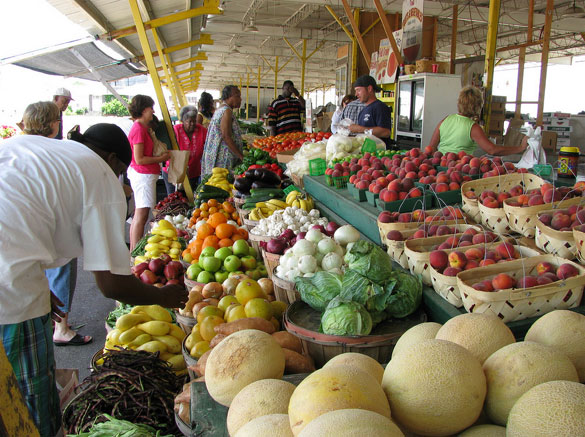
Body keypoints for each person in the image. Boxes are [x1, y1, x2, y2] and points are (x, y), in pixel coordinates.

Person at [0, 121, 188, 437]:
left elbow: (20, 211)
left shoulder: (37, 146)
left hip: (13, 268)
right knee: (28, 397)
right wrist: (164, 296)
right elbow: (111, 284)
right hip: (10, 285)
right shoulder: (99, 176)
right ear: (114, 160)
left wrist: (38, 282)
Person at [21, 102, 92, 346]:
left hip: (21, 226)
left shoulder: (17, 147)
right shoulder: (55, 150)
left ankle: (51, 321)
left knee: (34, 274)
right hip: (48, 222)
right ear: (53, 124)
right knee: (61, 268)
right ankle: (61, 327)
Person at [428, 86, 528, 156]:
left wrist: (441, 161)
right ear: (478, 106)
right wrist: (520, 148)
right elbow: (492, 150)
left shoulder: (445, 120)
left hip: (441, 171)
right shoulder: (473, 127)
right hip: (460, 171)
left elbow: (431, 148)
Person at [127, 95, 170, 250]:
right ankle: (134, 253)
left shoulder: (142, 128)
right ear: (144, 109)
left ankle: (133, 250)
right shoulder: (138, 129)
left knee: (139, 214)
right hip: (143, 176)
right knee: (141, 215)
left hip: (144, 175)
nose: (152, 111)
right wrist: (161, 158)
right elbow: (139, 159)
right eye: (150, 108)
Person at [201, 85, 244, 175]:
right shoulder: (226, 111)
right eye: (238, 96)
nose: (240, 99)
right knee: (222, 182)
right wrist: (240, 156)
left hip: (218, 156)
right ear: (229, 97)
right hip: (223, 158)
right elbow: (226, 136)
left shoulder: (220, 109)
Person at [348, 75, 393, 148]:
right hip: (366, 153)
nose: (356, 94)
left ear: (369, 89)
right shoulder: (363, 110)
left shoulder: (380, 107)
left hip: (378, 154)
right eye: (356, 91)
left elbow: (386, 132)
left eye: (358, 90)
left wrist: (359, 129)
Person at [171, 105, 207, 190]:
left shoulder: (201, 130)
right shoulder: (175, 131)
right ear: (183, 120)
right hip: (175, 171)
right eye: (189, 121)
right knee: (174, 198)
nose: (193, 124)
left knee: (190, 199)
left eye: (194, 121)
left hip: (193, 172)